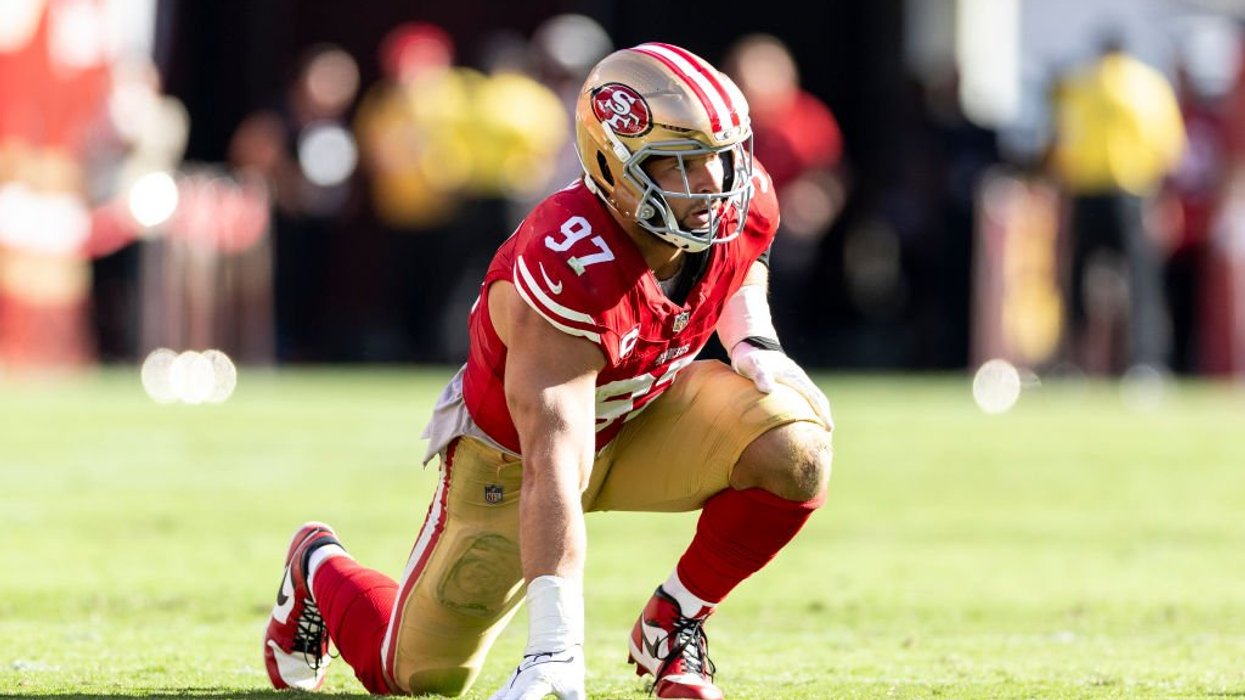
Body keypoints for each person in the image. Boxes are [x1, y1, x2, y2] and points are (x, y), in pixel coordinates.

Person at [261, 42, 835, 700]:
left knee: (795, 446)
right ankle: (317, 564)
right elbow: (552, 453)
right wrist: (554, 645)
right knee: (419, 676)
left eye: (720, 155)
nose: (712, 183)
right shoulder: (565, 256)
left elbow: (741, 259)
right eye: (681, 164)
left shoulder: (739, 195)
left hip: (642, 411)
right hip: (512, 461)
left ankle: (672, 623)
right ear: (612, 166)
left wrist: (752, 340)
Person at [1048, 31, 1186, 375]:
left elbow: (1063, 142)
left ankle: (1072, 362)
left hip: (1086, 191)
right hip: (1133, 192)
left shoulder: (1081, 85)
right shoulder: (1150, 86)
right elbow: (1170, 150)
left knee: (1076, 280)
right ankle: (1145, 364)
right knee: (1143, 284)